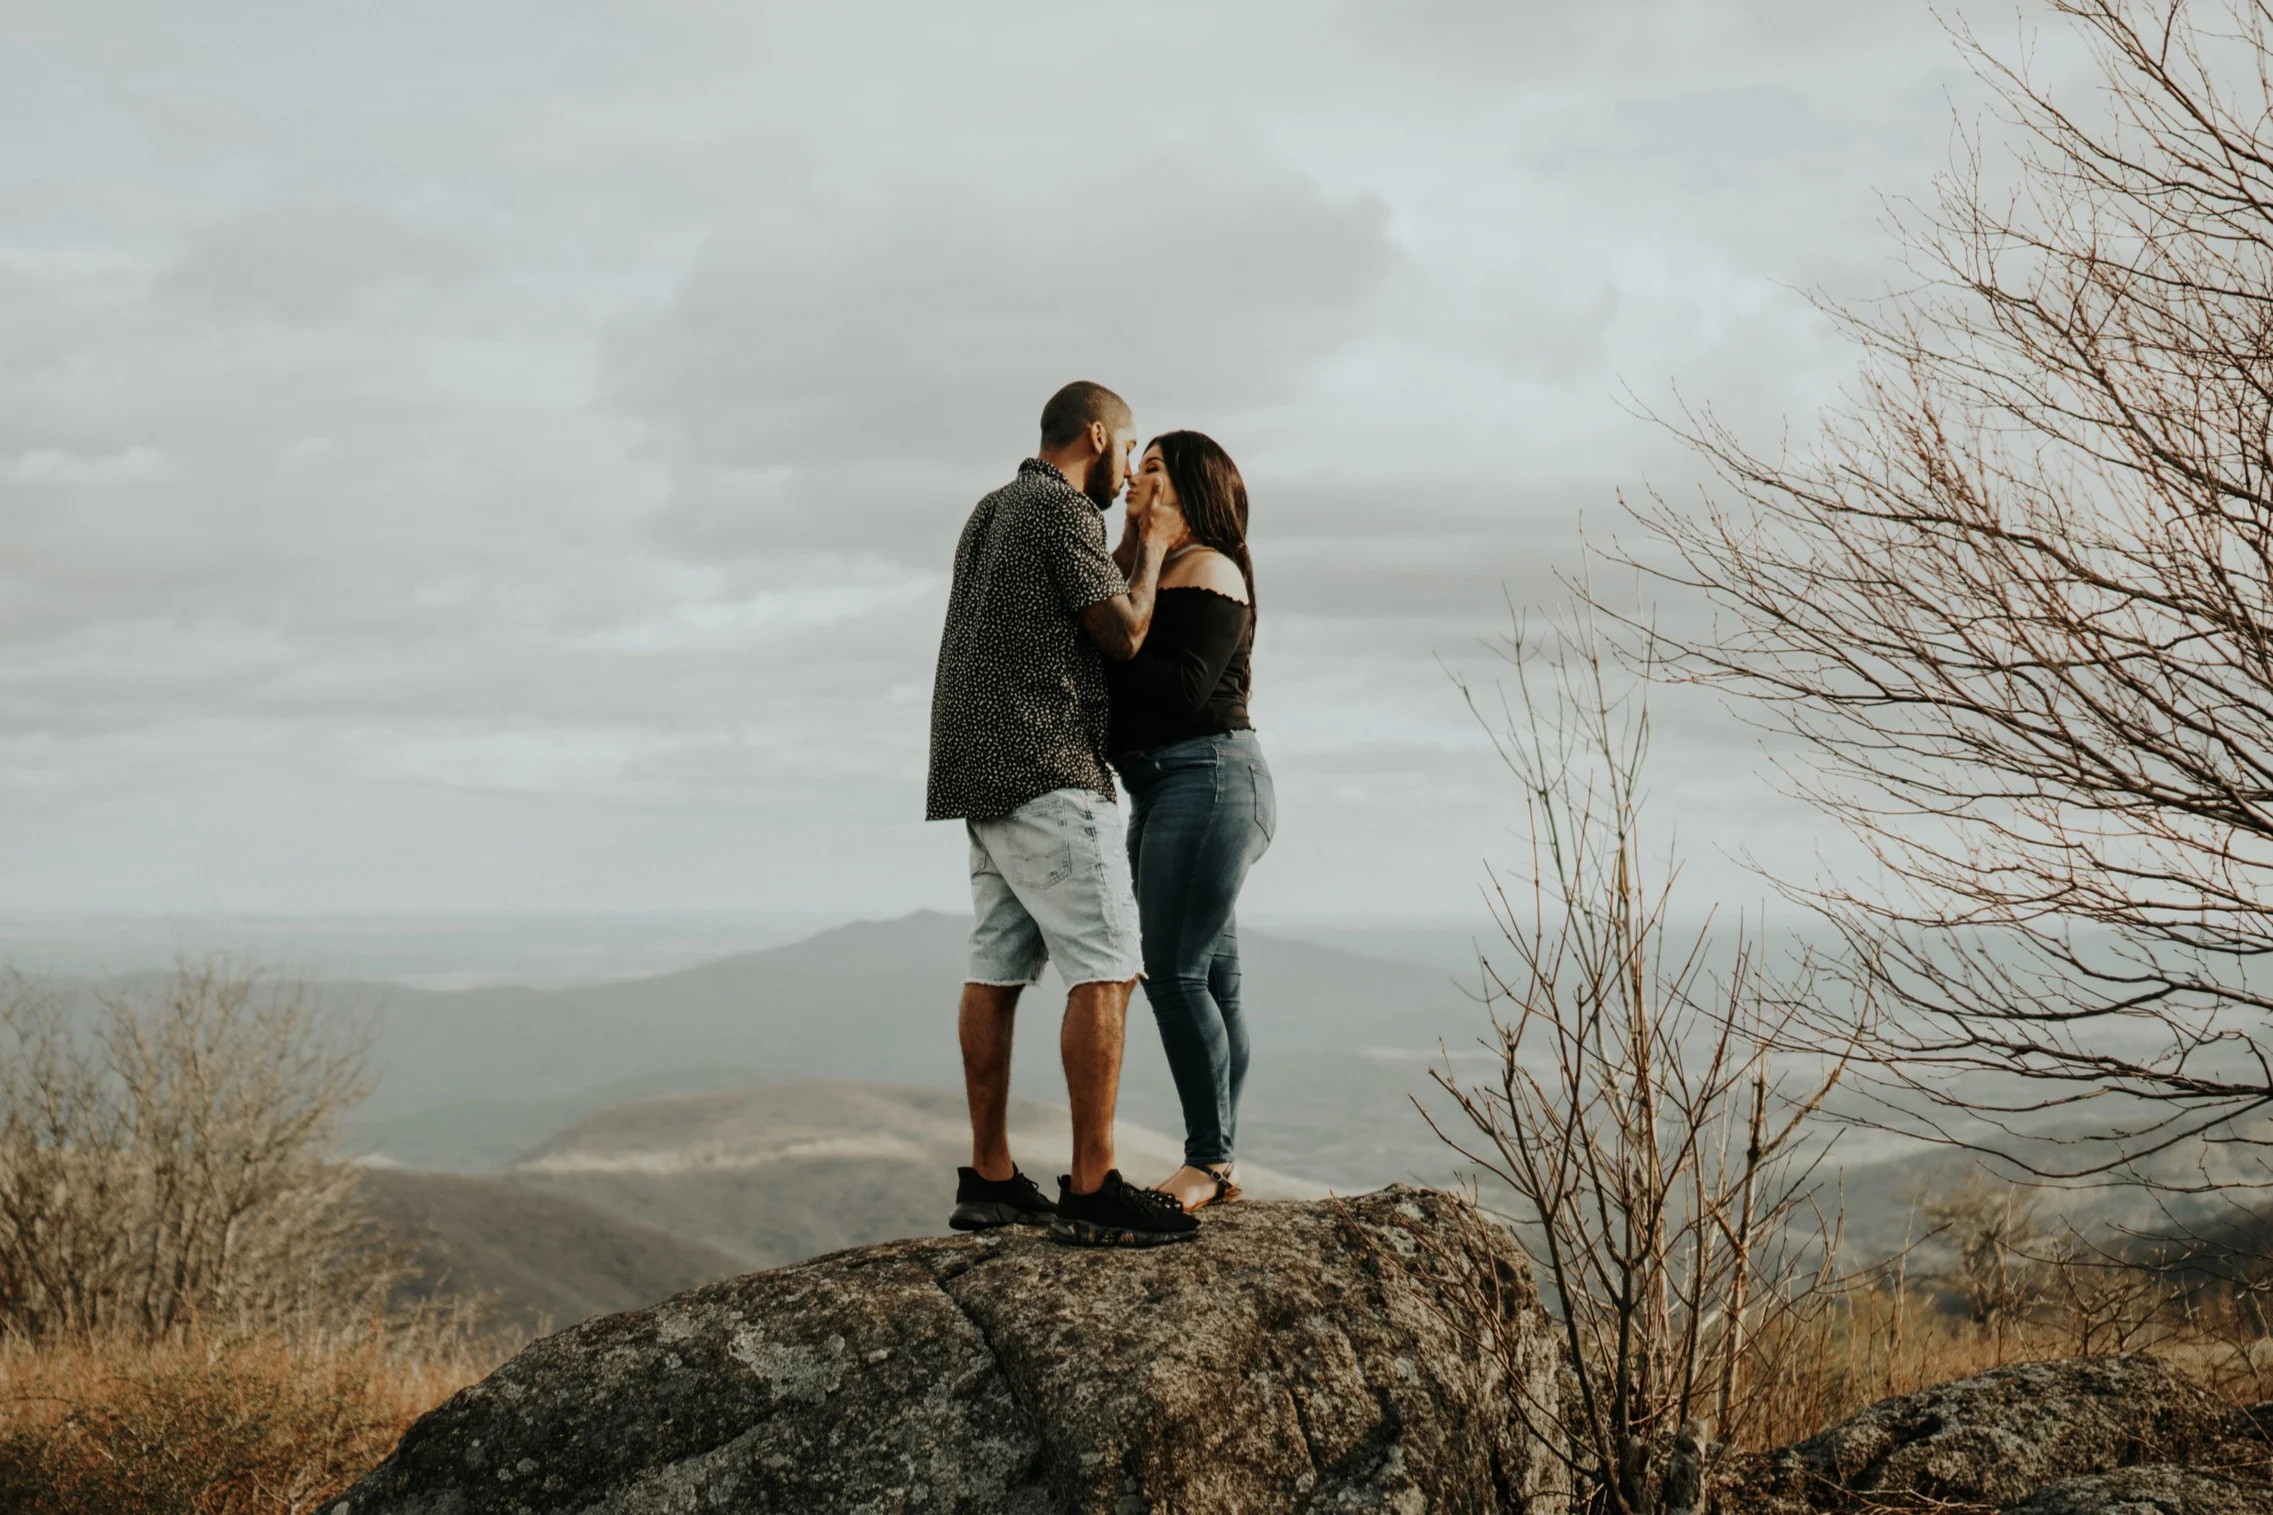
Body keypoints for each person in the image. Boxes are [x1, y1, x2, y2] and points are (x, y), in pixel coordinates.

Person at [926, 381, 1200, 1247]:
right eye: (1129, 450)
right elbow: (1122, 633)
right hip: (1048, 765)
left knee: (996, 965)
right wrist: (1154, 545)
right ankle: (1092, 1184)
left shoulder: (993, 510)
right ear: (1097, 436)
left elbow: (1076, 599)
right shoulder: (1059, 509)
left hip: (980, 773)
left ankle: (990, 1175)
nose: (1131, 472)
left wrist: (1128, 541)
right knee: (1107, 964)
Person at [1105, 432, 1273, 1214]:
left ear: (1192, 491)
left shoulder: (1207, 568)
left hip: (1206, 779)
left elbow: (1175, 691)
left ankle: (1208, 1159)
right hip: (1168, 786)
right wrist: (1136, 547)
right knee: (1213, 979)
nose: (1133, 481)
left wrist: (1149, 550)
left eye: (1152, 470)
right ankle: (1222, 1156)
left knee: (1174, 973)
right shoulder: (1156, 567)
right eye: (1135, 468)